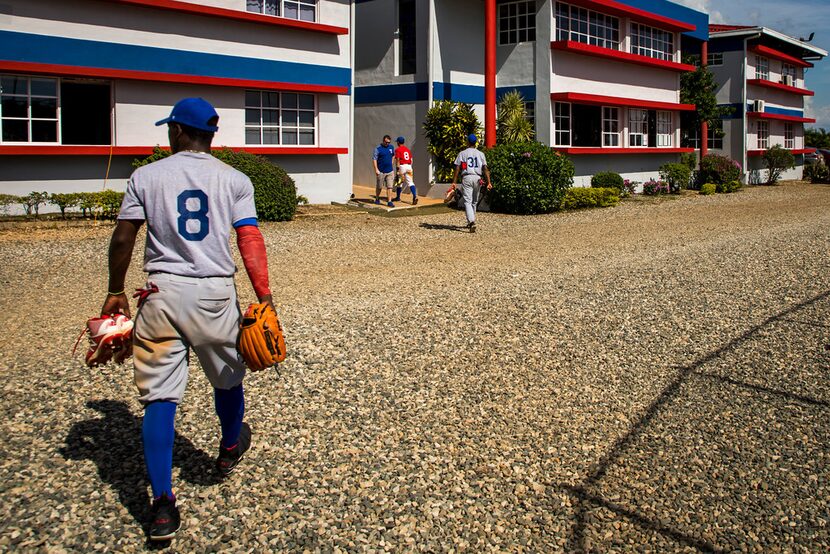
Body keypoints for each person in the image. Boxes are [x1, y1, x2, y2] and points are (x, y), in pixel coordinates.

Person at [101, 97, 275, 542]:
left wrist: (115, 290)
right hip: (214, 294)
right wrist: (265, 298)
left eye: (169, 128)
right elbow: (249, 239)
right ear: (210, 135)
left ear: (178, 131)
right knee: (229, 379)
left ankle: (161, 506)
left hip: (160, 294)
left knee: (159, 398)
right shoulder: (234, 179)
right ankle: (230, 447)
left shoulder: (146, 175)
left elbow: (124, 237)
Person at [451, 134, 492, 233]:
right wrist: (489, 182)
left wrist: (454, 182)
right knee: (474, 201)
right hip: (478, 178)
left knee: (467, 201)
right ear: (476, 142)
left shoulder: (462, 153)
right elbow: (485, 168)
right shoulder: (481, 154)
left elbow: (457, 168)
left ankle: (471, 221)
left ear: (468, 142)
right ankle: (471, 220)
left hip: (467, 177)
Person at [393, 136, 418, 205]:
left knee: (399, 182)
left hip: (402, 166)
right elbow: (411, 160)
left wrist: (398, 170)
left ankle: (398, 197)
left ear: (398, 142)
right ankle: (415, 196)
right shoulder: (408, 150)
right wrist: (410, 167)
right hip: (409, 166)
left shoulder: (397, 150)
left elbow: (397, 160)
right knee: (410, 182)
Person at [372, 134, 396, 207]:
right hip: (381, 171)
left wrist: (392, 163)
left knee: (390, 186)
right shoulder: (378, 149)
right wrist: (376, 169)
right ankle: (377, 198)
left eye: (389, 142)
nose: (387, 144)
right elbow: (374, 159)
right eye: (386, 142)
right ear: (383, 141)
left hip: (390, 171)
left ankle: (389, 201)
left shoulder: (391, 147)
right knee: (379, 187)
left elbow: (393, 155)